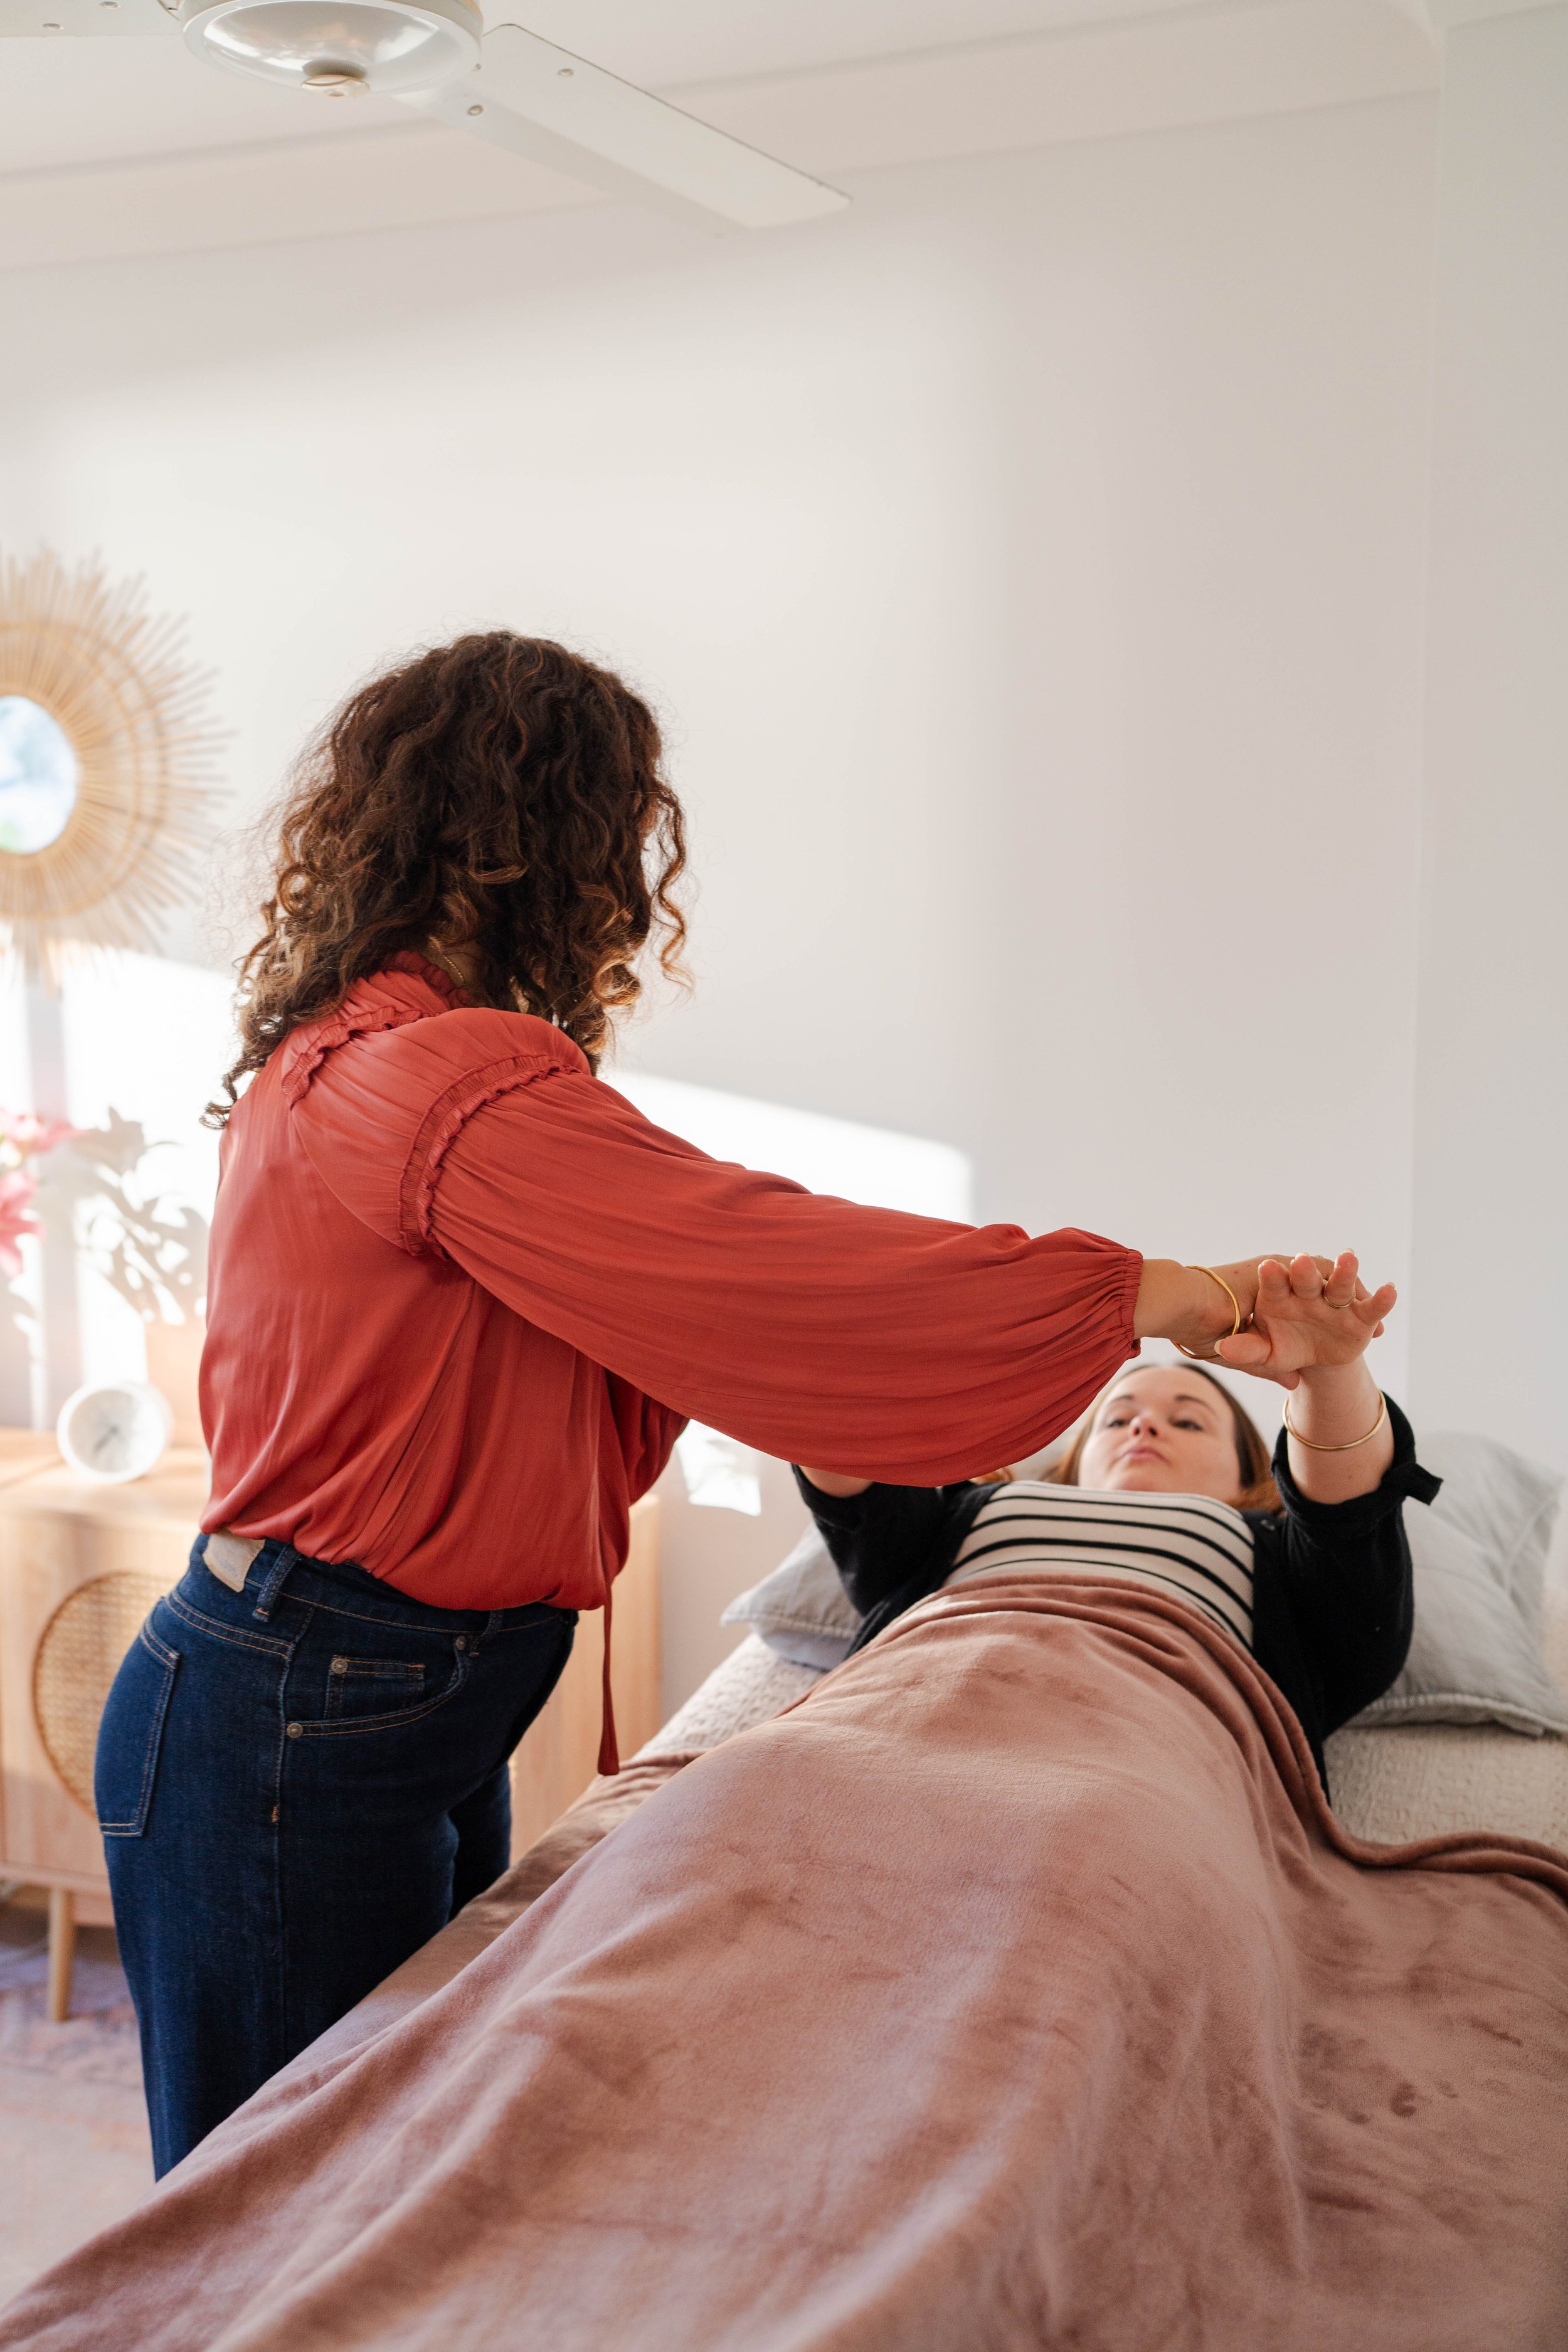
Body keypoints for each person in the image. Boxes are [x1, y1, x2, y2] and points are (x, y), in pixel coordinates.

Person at [97, 630, 1330, 2175]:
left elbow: (700, 1314)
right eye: (615, 831)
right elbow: (776, 1266)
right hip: (306, 1708)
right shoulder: (426, 1083)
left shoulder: (385, 1064)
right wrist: (1175, 1292)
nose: (624, 881)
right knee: (282, 2212)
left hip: (376, 1701)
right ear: (533, 837)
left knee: (377, 2189)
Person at [799, 1252, 1439, 1783]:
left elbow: (1346, 1514)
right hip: (884, 1730)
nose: (1143, 1426)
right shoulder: (964, 1511)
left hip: (1147, 1774)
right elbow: (840, 1446)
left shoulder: (1272, 1554)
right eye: (1116, 1418)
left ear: (1251, 1479)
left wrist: (1331, 1373)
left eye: (1188, 1421)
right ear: (1072, 1464)